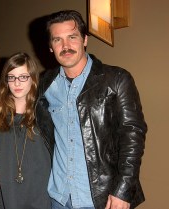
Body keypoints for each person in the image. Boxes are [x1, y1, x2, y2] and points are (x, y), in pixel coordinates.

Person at [35, 10, 147, 209]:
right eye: (57, 40)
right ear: (50, 47)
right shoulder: (44, 85)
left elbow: (133, 135)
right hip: (58, 198)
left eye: (72, 37)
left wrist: (123, 189)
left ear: (85, 39)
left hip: (102, 200)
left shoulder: (116, 79)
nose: (66, 46)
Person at [0, 52, 51, 209]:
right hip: (7, 195)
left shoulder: (46, 113)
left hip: (39, 196)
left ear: (32, 79)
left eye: (23, 77)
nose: (17, 83)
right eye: (11, 77)